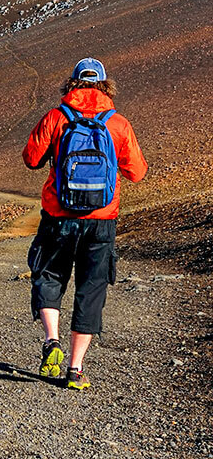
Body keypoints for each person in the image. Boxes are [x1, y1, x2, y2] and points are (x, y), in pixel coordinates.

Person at [22, 57, 147, 390]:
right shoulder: (117, 123)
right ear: (104, 86)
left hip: (58, 216)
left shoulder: (56, 117)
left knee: (49, 274)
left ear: (72, 84)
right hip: (102, 221)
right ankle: (75, 370)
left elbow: (31, 158)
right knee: (91, 289)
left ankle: (51, 341)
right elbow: (138, 171)